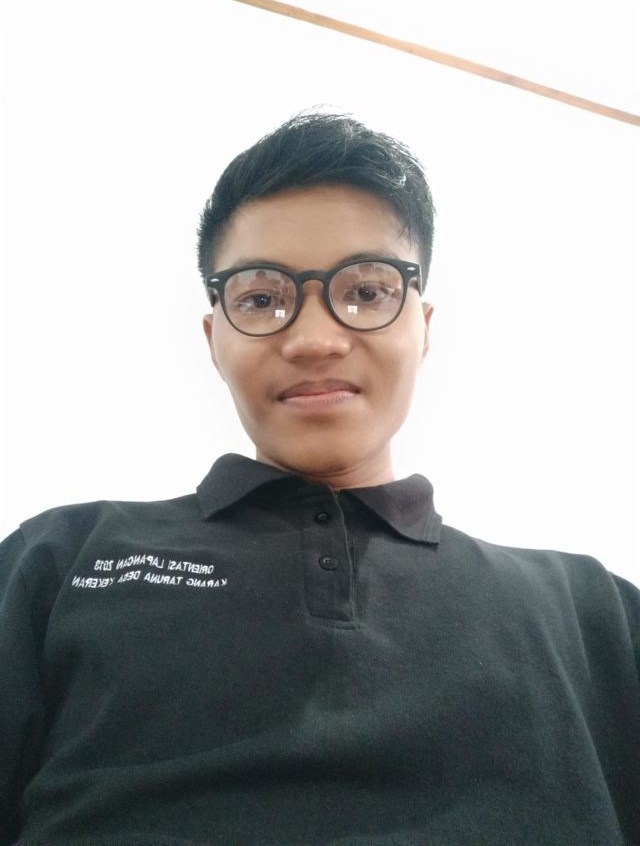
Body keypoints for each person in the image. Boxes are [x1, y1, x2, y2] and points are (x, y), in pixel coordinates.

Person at [1, 110, 638, 846]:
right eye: (260, 298)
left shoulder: (597, 615)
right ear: (214, 339)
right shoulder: (62, 557)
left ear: (424, 326)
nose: (313, 339)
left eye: (366, 291)